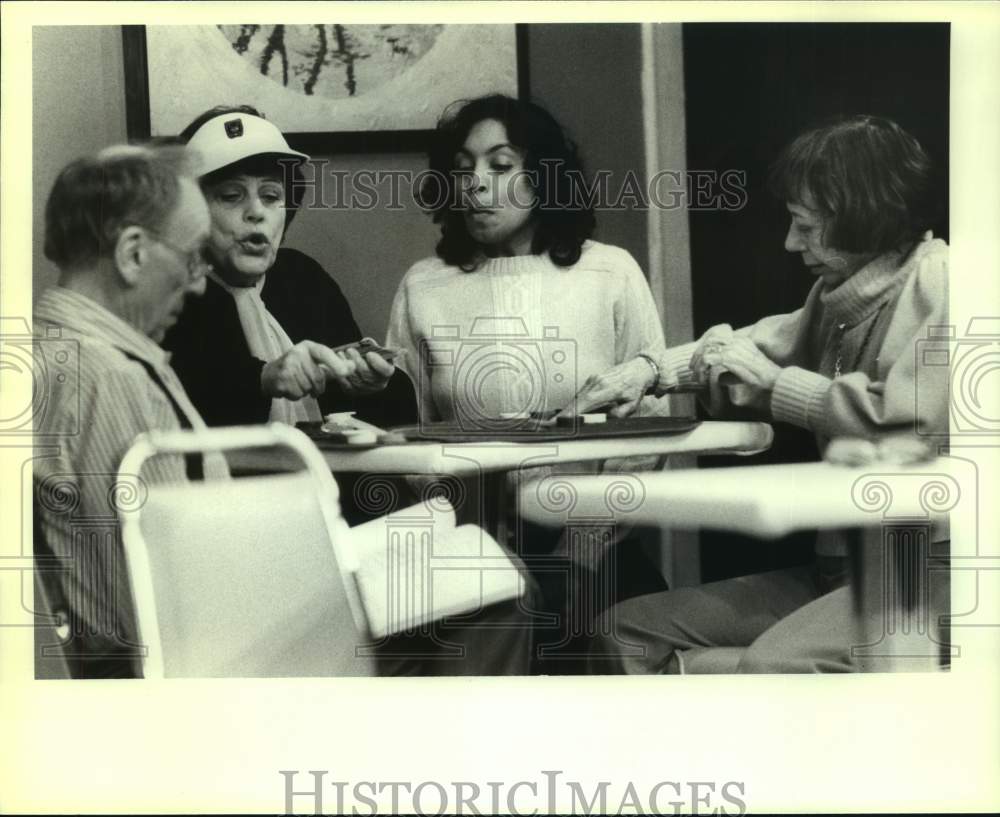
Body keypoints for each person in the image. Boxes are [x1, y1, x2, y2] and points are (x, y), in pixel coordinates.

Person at [569, 115, 949, 673]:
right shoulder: (840, 295)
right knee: (622, 631)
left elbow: (908, 425)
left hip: (930, 572)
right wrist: (649, 371)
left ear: (866, 215)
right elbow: (760, 340)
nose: (790, 242)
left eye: (806, 224)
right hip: (843, 570)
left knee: (767, 665)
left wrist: (776, 388)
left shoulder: (943, 280)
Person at [385, 94, 672, 670]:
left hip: (596, 552)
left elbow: (648, 432)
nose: (476, 185)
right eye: (463, 169)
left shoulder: (609, 272)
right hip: (467, 553)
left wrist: (580, 552)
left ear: (542, 175)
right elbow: (405, 440)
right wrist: (475, 549)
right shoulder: (424, 285)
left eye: (500, 165)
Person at [33, 144, 226, 678]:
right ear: (133, 254)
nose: (200, 282)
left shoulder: (37, 354)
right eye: (193, 257)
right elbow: (177, 608)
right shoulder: (111, 381)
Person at [164, 106, 416, 440]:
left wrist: (370, 385)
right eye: (230, 196)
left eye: (271, 196)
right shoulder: (169, 293)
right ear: (191, 211)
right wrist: (266, 378)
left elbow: (375, 420)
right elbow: (184, 400)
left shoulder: (303, 280)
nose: (256, 213)